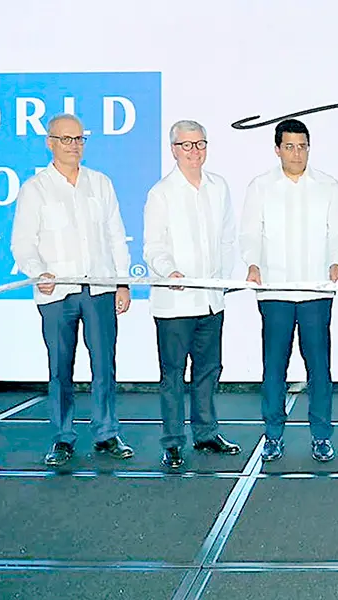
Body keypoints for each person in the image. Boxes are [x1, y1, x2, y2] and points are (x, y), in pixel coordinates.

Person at [10, 113, 134, 467]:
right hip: (57, 294)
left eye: (79, 138)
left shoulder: (100, 183)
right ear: (50, 143)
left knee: (104, 365)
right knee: (60, 368)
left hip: (100, 289)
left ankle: (107, 433)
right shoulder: (35, 189)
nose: (74, 145)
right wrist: (38, 272)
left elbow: (116, 236)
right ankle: (63, 437)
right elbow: (22, 243)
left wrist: (122, 281)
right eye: (66, 139)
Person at [239, 118, 338, 463]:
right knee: (274, 368)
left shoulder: (328, 186)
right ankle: (273, 435)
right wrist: (252, 263)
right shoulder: (260, 187)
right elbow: (250, 233)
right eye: (289, 146)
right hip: (275, 292)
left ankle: (321, 436)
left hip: (316, 291)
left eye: (302, 146)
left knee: (319, 368)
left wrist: (335, 263)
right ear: (277, 149)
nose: (297, 153)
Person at [143, 119, 243, 469]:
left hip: (211, 300)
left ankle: (206, 433)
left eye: (200, 143)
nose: (194, 151)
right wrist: (168, 270)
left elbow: (228, 238)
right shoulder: (161, 194)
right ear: (174, 150)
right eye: (186, 145)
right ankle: (172, 442)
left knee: (208, 370)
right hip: (174, 303)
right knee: (173, 374)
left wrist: (222, 279)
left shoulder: (219, 187)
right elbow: (153, 246)